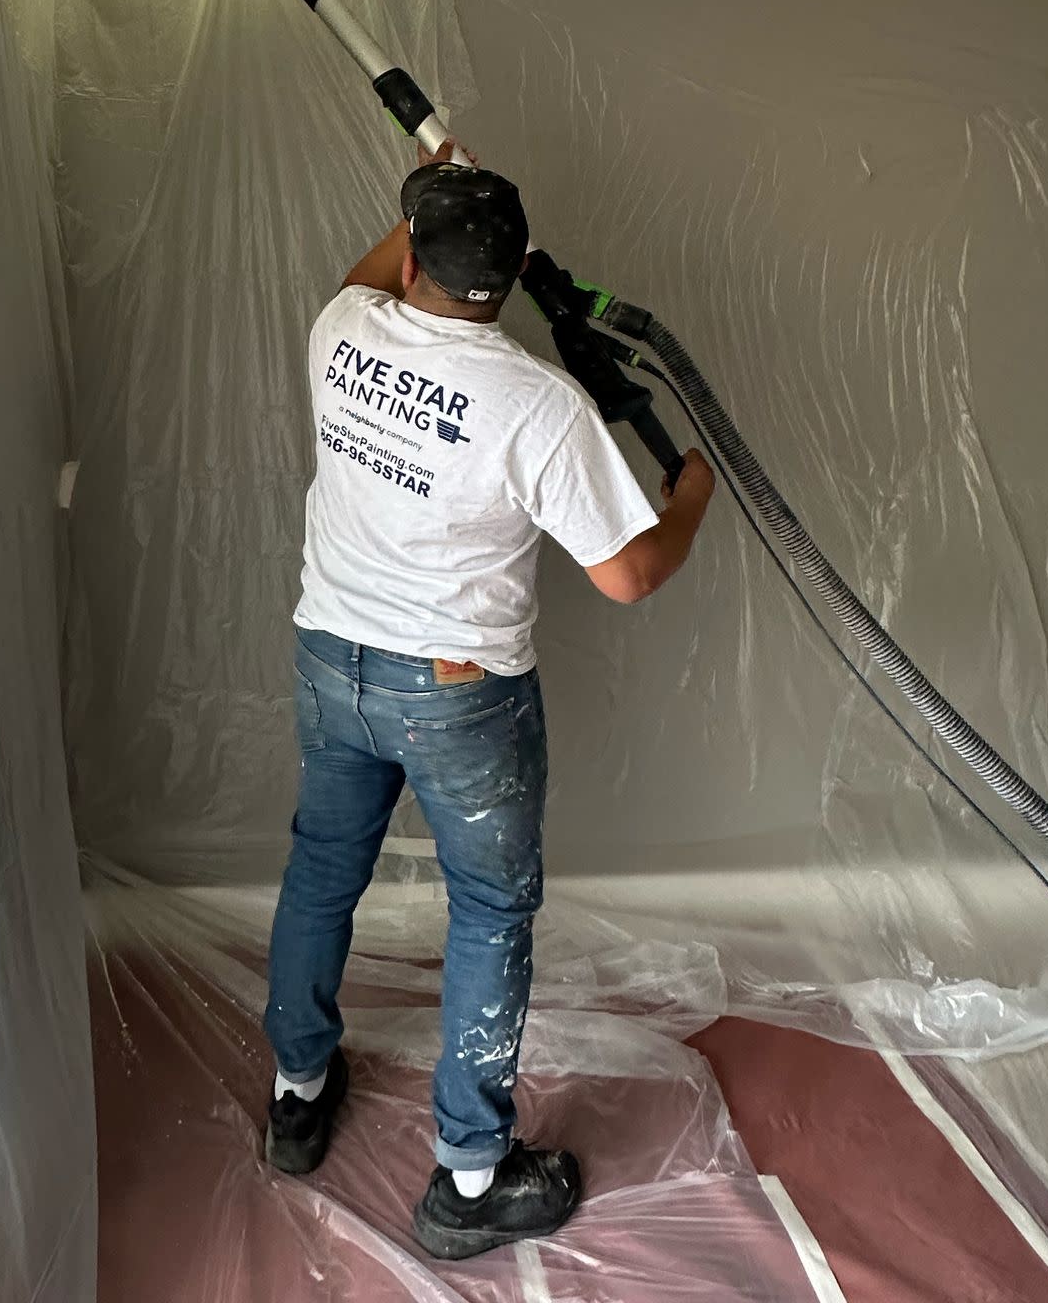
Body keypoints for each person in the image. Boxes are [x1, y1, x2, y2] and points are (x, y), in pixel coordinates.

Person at [261, 149, 715, 1262]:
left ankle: (297, 1094)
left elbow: (371, 272)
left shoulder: (342, 330)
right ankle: (470, 1175)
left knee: (323, 866)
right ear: (508, 280)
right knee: (490, 910)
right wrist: (691, 496)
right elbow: (629, 572)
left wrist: (421, 185)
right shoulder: (536, 403)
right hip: (458, 697)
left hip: (332, 660)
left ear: (413, 253)